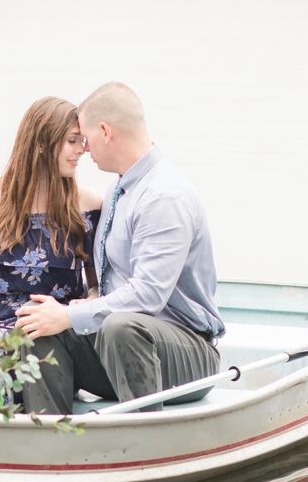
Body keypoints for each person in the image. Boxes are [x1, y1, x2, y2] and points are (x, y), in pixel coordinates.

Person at [15, 81, 224, 413]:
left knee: (120, 325)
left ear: (105, 132)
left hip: (185, 356)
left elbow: (147, 296)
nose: (83, 148)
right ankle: (53, 442)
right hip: (118, 348)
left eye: (85, 138)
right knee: (39, 328)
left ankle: (144, 446)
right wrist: (60, 314)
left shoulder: (163, 196)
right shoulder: (118, 191)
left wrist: (70, 314)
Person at [0, 97, 101, 357]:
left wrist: (83, 306)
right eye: (72, 141)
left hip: (51, 336)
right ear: (42, 143)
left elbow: (99, 284)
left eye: (82, 141)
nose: (81, 150)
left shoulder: (86, 204)